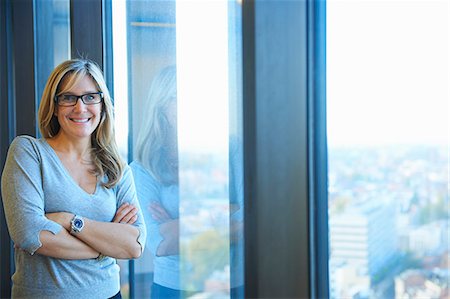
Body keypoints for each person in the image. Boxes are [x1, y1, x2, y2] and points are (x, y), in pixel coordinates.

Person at [1, 58, 146, 299]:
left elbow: (134, 245)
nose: (80, 108)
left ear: (101, 104)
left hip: (108, 294)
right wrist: (106, 246)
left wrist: (70, 221)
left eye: (90, 97)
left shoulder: (116, 168)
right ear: (55, 106)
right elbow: (30, 235)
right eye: (69, 97)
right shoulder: (29, 153)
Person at [130, 65, 244, 298]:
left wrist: (180, 225)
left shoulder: (231, 149)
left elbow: (252, 222)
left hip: (231, 285)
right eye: (181, 97)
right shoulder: (143, 168)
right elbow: (160, 243)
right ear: (162, 106)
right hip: (172, 289)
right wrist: (227, 212)